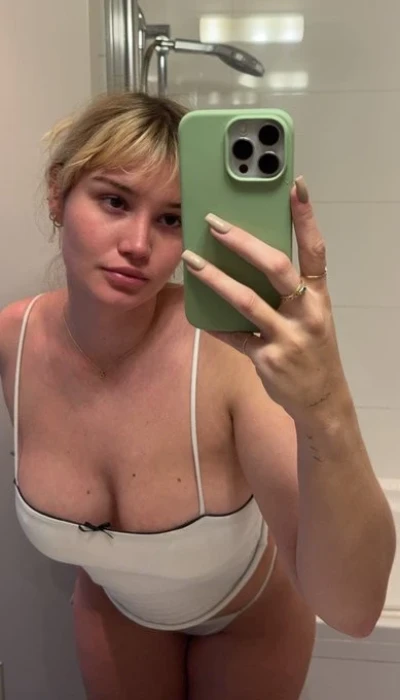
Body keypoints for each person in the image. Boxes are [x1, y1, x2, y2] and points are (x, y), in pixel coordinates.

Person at [0, 91, 395, 700]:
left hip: (250, 615)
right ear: (58, 193)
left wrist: (327, 404)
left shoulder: (226, 353)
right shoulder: (14, 340)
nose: (138, 243)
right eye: (114, 201)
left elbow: (355, 611)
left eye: (171, 219)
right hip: (115, 608)